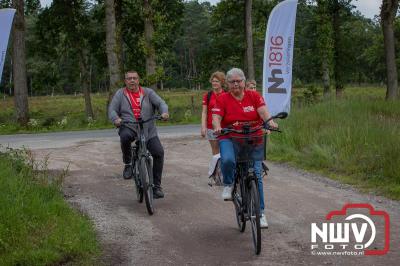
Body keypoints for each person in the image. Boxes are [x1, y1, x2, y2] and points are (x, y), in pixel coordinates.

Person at [212, 68, 277, 228]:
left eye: (239, 81)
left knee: (256, 174)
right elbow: (216, 117)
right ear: (227, 83)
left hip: (252, 137)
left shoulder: (254, 96)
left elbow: (263, 112)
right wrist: (218, 126)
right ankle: (229, 184)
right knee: (227, 160)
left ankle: (260, 213)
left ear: (244, 81)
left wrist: (270, 122)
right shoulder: (222, 99)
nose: (236, 84)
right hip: (230, 137)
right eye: (232, 81)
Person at [108, 70, 169, 199]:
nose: (132, 81)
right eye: (129, 78)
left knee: (158, 152)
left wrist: (164, 112)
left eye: (134, 78)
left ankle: (156, 187)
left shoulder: (148, 92)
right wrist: (116, 119)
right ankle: (128, 164)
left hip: (148, 129)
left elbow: (161, 103)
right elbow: (112, 109)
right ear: (125, 81)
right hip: (129, 126)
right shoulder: (120, 94)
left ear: (138, 80)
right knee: (124, 137)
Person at [201, 71, 226, 155]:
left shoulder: (227, 94)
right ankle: (217, 167)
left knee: (225, 149)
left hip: (225, 127)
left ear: (222, 82)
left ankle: (225, 167)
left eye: (217, 81)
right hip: (211, 127)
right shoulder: (207, 95)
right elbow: (204, 112)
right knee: (215, 151)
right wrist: (203, 127)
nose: (214, 83)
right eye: (213, 81)